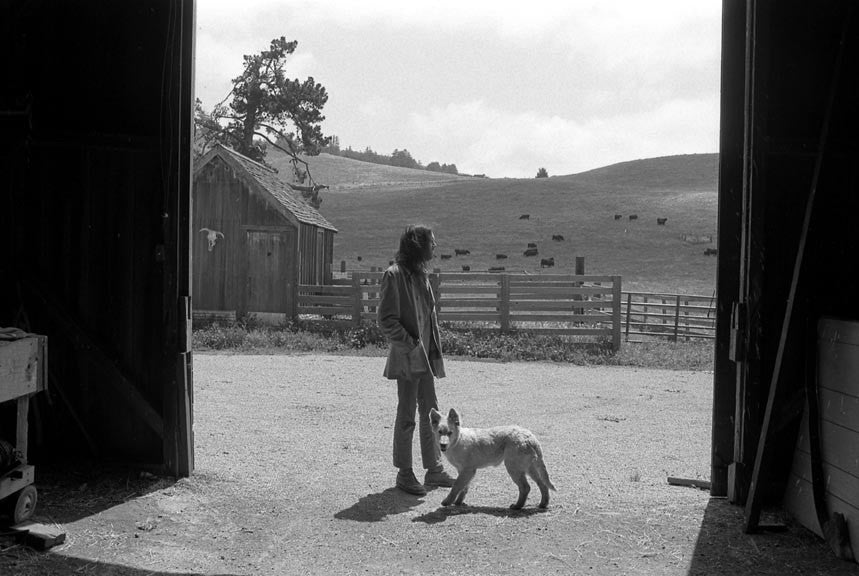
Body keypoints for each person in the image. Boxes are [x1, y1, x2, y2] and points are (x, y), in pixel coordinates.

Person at [377, 224, 455, 495]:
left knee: (432, 414)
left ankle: (433, 470)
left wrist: (431, 351)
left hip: (424, 359)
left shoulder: (421, 276)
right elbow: (386, 320)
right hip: (408, 359)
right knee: (407, 414)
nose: (435, 246)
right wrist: (410, 345)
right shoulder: (394, 275)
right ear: (417, 244)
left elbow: (427, 319)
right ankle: (404, 473)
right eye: (431, 242)